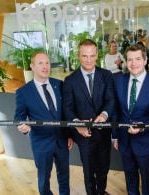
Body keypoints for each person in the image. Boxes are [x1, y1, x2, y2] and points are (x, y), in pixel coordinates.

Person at [14, 51, 73, 195]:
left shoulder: (59, 84)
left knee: (64, 176)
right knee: (44, 179)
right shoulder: (23, 92)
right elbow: (19, 118)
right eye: (40, 63)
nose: (45, 66)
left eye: (47, 63)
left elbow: (66, 113)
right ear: (32, 66)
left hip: (62, 140)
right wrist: (23, 127)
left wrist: (70, 135)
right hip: (41, 143)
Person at [62, 39, 115, 195]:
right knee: (88, 170)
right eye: (85, 56)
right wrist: (78, 124)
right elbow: (68, 108)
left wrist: (104, 115)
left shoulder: (106, 75)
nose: (89, 59)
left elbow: (111, 99)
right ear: (78, 55)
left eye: (92, 55)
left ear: (97, 55)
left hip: (103, 131)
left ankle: (101, 192)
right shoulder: (70, 80)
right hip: (83, 135)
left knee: (104, 168)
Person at [112, 44, 149, 195]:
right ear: (125, 62)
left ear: (145, 60)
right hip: (124, 140)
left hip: (146, 142)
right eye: (130, 60)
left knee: (147, 180)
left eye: (137, 59)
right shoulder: (119, 81)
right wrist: (115, 135)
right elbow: (116, 111)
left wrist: (141, 127)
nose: (133, 63)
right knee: (130, 178)